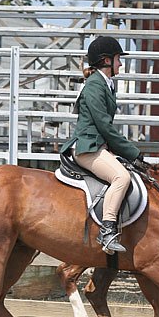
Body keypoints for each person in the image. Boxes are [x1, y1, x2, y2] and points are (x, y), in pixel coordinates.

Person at [60, 36, 147, 254]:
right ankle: (107, 231)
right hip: (87, 147)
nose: (120, 64)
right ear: (106, 60)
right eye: (118, 59)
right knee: (121, 177)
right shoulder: (94, 86)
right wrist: (132, 152)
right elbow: (105, 126)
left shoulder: (105, 84)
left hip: (98, 146)